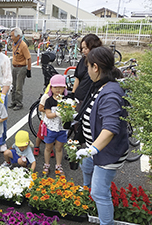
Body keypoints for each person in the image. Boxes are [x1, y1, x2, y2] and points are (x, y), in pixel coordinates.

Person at [76, 46, 129, 225]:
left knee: (99, 192)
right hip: (97, 149)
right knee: (87, 168)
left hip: (107, 152)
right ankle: (89, 204)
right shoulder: (103, 84)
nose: (87, 70)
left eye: (88, 66)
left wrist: (92, 149)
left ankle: (106, 222)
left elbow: (110, 129)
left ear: (96, 67)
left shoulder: (110, 93)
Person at [42, 75, 68, 175]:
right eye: (55, 87)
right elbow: (48, 115)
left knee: (59, 148)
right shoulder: (49, 101)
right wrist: (57, 113)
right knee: (48, 148)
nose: (58, 89)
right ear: (51, 88)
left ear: (64, 88)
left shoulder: (66, 100)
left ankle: (58, 166)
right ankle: (46, 165)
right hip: (51, 129)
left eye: (61, 87)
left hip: (62, 129)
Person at [71, 34, 102, 110]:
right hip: (79, 97)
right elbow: (77, 77)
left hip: (90, 99)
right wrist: (73, 93)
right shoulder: (83, 60)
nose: (83, 51)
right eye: (82, 48)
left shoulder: (100, 63)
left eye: (86, 48)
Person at [9, 27, 31, 111]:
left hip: (21, 68)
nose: (11, 38)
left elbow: (28, 58)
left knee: (19, 87)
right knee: (13, 85)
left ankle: (19, 103)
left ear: (18, 36)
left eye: (12, 36)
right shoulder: (14, 43)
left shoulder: (23, 45)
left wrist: (28, 70)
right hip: (14, 67)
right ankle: (13, 101)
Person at [33, 85, 54, 158]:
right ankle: (37, 146)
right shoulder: (46, 96)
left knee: (51, 135)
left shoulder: (59, 97)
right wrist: (49, 110)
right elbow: (40, 108)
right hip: (44, 120)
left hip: (54, 120)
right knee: (40, 135)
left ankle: (50, 148)